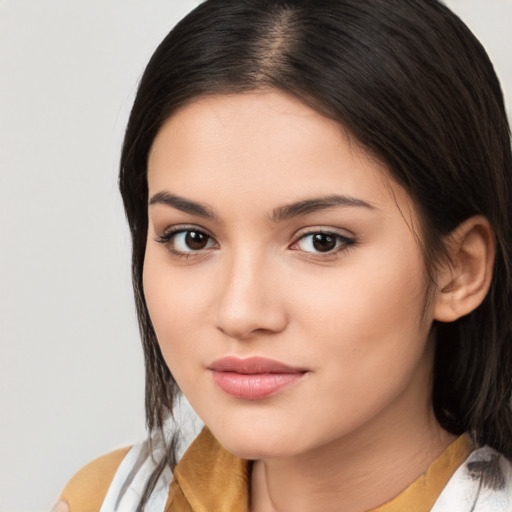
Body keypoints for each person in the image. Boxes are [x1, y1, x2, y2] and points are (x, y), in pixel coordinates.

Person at [53, 0, 512, 510]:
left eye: (321, 240)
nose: (240, 312)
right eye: (192, 238)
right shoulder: (102, 499)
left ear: (458, 270)